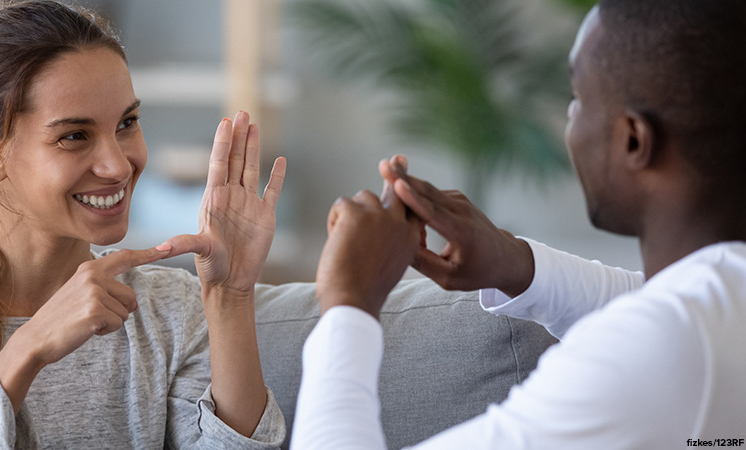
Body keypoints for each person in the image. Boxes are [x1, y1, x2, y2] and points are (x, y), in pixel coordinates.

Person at [0, 1, 287, 448]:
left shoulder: (168, 309)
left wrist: (230, 299)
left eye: (127, 122)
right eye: (74, 136)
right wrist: (29, 348)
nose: (118, 166)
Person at [292, 0, 746, 448]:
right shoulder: (718, 302)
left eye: (579, 98)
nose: (570, 116)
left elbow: (659, 331)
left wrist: (349, 302)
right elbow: (657, 301)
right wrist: (515, 264)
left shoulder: (653, 354)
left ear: (633, 139)